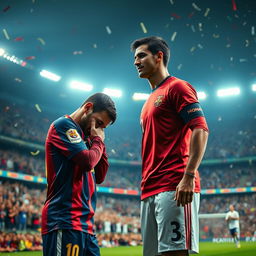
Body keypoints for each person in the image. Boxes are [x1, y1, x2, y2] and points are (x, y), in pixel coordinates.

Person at [131, 36, 209, 256]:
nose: (136, 62)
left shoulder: (178, 87)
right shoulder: (148, 102)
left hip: (174, 185)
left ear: (159, 57)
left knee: (173, 253)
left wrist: (189, 175)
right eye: (135, 58)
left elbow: (200, 129)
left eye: (141, 56)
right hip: (149, 189)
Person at [41, 93, 116, 256]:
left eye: (103, 127)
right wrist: (98, 142)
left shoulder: (88, 139)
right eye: (99, 123)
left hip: (86, 225)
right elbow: (87, 161)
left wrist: (98, 142)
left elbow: (100, 175)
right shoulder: (63, 126)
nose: (99, 130)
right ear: (88, 108)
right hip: (64, 221)